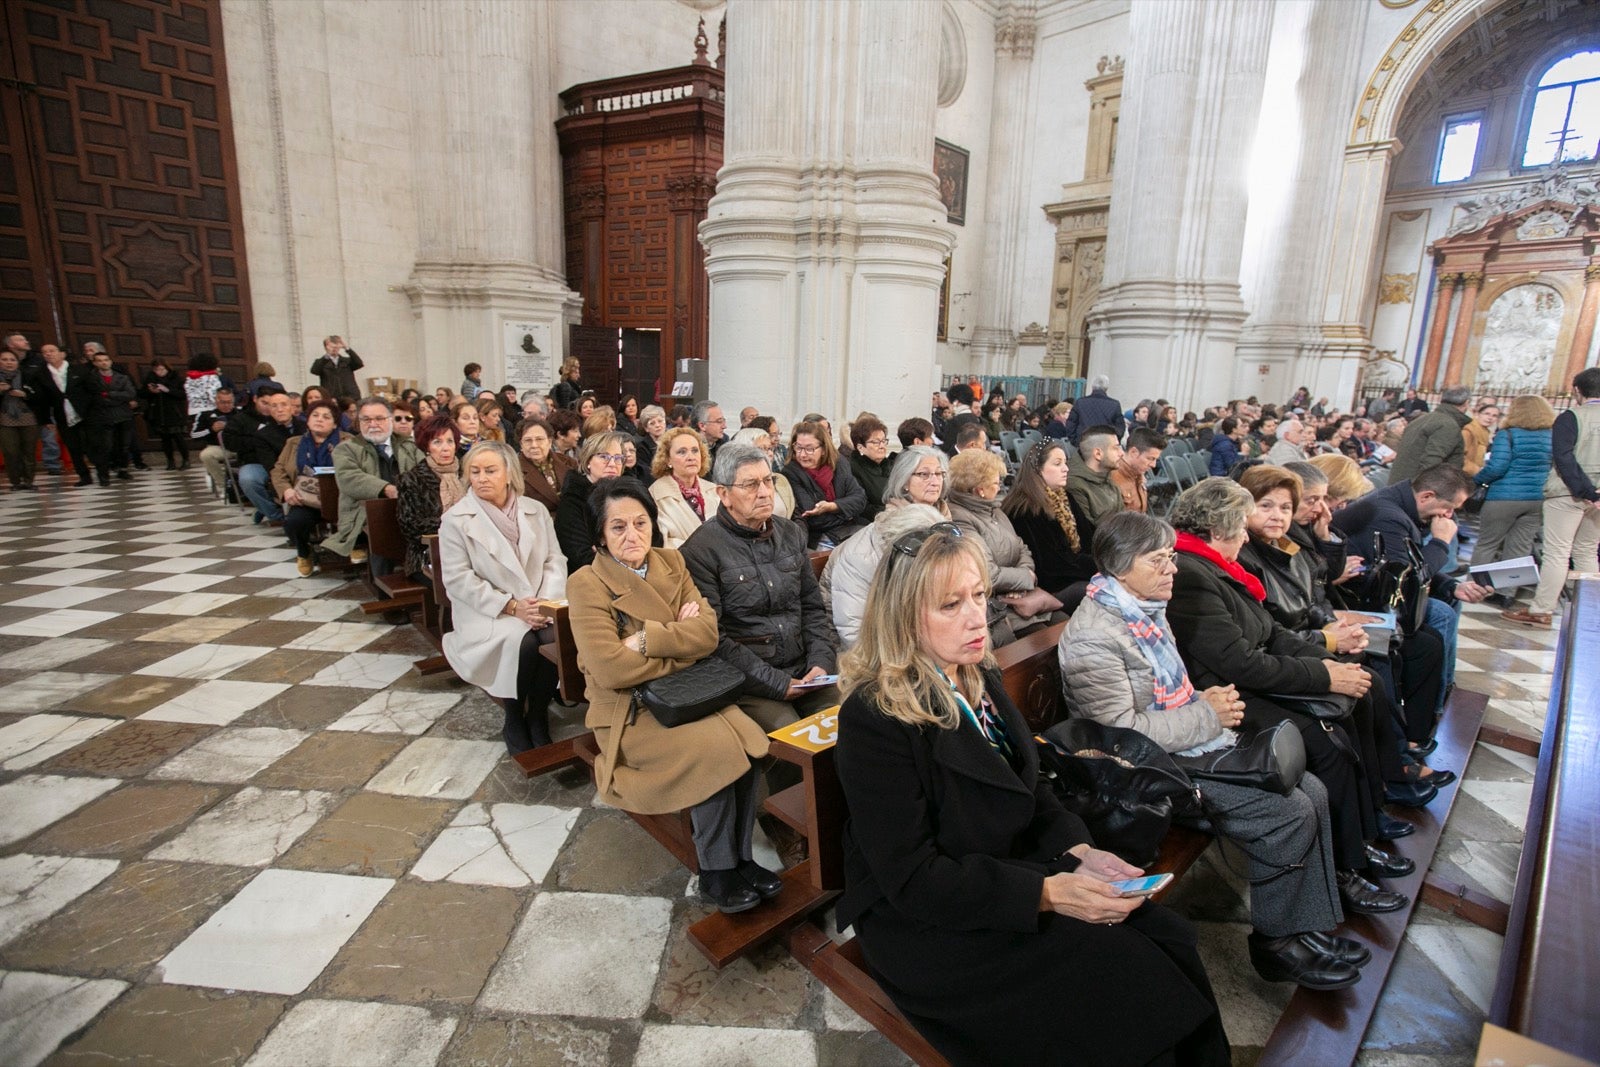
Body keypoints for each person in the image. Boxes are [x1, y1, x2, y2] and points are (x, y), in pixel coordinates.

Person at [834, 524, 1230, 1066]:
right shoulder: (877, 715)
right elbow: (913, 878)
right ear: (903, 616)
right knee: (1125, 983)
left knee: (1170, 937)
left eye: (979, 595)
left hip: (1010, 865)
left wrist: (1079, 851)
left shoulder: (977, 673)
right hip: (933, 919)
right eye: (950, 605)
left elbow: (1034, 782)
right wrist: (1049, 894)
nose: (977, 617)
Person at [1061, 510, 1362, 990]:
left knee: (1311, 789)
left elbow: (1165, 692)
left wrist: (1202, 703)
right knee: (1283, 810)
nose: (1172, 569)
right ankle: (1275, 943)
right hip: (1140, 773)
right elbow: (1119, 732)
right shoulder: (1094, 637)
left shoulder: (1142, 611)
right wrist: (1207, 713)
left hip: (1182, 745)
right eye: (1158, 560)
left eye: (1172, 557)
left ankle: (1306, 927)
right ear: (1121, 568)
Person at [566, 476, 779, 913]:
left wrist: (644, 640)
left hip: (690, 695)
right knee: (716, 750)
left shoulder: (670, 562)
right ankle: (716, 870)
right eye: (619, 527)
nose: (633, 536)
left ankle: (741, 858)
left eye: (641, 523)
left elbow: (707, 632)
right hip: (634, 712)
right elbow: (608, 667)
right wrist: (679, 639)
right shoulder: (587, 583)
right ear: (601, 537)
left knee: (750, 742)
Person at [681, 443, 840, 865]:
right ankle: (787, 827)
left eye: (768, 481)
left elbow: (811, 606)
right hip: (749, 679)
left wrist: (822, 661)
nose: (764, 492)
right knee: (786, 734)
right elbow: (713, 638)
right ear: (723, 494)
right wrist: (776, 683)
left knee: (845, 717)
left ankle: (838, 811)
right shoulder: (701, 551)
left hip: (806, 668)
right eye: (750, 485)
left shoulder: (790, 532)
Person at [439, 440, 566, 754]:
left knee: (553, 636)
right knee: (521, 643)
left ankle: (537, 714)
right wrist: (511, 606)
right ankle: (513, 716)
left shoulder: (535, 511)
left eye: (490, 470)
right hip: (488, 613)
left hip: (538, 605)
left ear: (508, 473)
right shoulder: (456, 520)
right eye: (475, 471)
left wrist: (542, 603)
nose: (481, 478)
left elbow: (555, 560)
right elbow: (458, 579)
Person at [1331, 464, 1490, 703]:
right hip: (1356, 595)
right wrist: (1441, 542)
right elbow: (1405, 580)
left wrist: (1451, 586)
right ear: (1427, 496)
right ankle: (1437, 700)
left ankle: (1445, 687)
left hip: (1374, 588)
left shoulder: (1401, 505)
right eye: (1449, 509)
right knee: (1440, 613)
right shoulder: (1388, 515)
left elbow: (1407, 562)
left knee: (1451, 600)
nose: (1448, 517)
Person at [1506, 367, 1600, 627]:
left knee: (1557, 553)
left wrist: (1587, 491)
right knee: (1586, 551)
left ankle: (1542, 609)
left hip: (1569, 493)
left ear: (1577, 391)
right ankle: (1590, 610)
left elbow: (1564, 456)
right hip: (1598, 498)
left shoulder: (1571, 416)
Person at [947, 449, 1063, 644]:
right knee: (1046, 642)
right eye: (995, 483)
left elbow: (1022, 547)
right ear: (979, 489)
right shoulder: (961, 519)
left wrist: (1027, 572)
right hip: (998, 606)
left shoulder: (995, 510)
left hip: (1023, 596)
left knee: (1065, 623)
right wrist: (1025, 577)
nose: (999, 486)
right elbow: (987, 573)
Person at [822, 503, 948, 648]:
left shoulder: (914, 550)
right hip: (866, 648)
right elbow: (854, 634)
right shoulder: (859, 560)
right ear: (904, 547)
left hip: (908, 635)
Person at [327, 396, 422, 565]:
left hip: (410, 509)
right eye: (366, 419)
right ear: (358, 422)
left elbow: (423, 472)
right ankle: (384, 586)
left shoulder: (410, 445)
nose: (373, 424)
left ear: (390, 420)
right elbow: (349, 478)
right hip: (363, 515)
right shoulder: (346, 449)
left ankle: (426, 577)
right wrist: (387, 488)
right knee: (380, 528)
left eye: (379, 418)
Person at [1004, 439, 1096, 609]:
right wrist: (1098, 567)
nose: (1066, 468)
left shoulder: (1064, 497)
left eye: (1065, 463)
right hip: (1054, 585)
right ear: (1038, 469)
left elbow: (1090, 536)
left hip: (1077, 572)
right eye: (1057, 463)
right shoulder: (1025, 509)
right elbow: (1051, 566)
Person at [1472, 396, 1553, 587]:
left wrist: (1476, 481)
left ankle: (1476, 587)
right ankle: (1506, 593)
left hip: (1503, 497)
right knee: (1520, 548)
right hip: (1536, 497)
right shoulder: (1552, 435)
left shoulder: (1508, 434)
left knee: (1487, 544)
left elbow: (1497, 467)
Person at [272, 399, 342, 575]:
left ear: (334, 424)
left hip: (340, 497)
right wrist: (286, 490)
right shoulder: (294, 443)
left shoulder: (347, 441)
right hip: (306, 498)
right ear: (308, 420)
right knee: (294, 522)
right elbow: (278, 471)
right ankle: (304, 552)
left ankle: (356, 546)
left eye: (326, 417)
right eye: (315, 416)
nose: (320, 419)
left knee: (358, 515)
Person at [395, 415, 465, 584]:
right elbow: (410, 526)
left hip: (469, 550)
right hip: (427, 556)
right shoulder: (412, 479)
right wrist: (456, 523)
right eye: (437, 442)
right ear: (426, 446)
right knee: (460, 584)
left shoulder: (466, 474)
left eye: (450, 441)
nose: (445, 448)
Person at [783, 419, 869, 548]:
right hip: (819, 537)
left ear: (823, 449)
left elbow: (861, 499)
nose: (802, 454)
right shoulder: (791, 472)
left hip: (850, 530)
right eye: (798, 447)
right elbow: (814, 518)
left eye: (809, 449)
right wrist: (847, 513)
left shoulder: (839, 463)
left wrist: (833, 506)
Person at [553, 430, 628, 572]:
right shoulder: (573, 501)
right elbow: (580, 555)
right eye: (604, 457)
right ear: (588, 461)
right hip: (591, 578)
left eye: (618, 458)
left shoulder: (628, 494)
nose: (612, 464)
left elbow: (652, 539)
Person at [231, 389, 298, 522]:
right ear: (270, 411)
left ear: (292, 408)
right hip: (276, 468)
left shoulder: (306, 426)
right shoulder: (263, 434)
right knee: (248, 479)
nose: (280, 409)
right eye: (274, 406)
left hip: (303, 467)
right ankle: (274, 514)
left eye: (284, 405)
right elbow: (270, 464)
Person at [648, 426, 718, 548]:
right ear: (667, 459)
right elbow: (662, 542)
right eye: (682, 452)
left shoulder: (714, 490)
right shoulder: (656, 495)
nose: (691, 457)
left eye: (695, 450)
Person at [1388, 385, 1471, 483]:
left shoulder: (1422, 419)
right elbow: (1431, 462)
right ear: (1466, 403)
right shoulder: (1447, 425)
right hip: (1417, 489)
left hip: (1401, 483)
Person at [79, 348, 138, 486]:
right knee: (105, 446)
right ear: (94, 363)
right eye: (99, 361)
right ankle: (103, 474)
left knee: (124, 444)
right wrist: (113, 397)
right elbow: (95, 396)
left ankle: (123, 469)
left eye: (106, 360)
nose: (103, 363)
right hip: (102, 415)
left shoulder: (122, 377)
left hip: (122, 415)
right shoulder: (91, 378)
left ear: (110, 362)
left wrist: (109, 394)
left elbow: (129, 394)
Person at [1067, 425, 1126, 542]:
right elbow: (1088, 533)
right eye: (1116, 448)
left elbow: (1122, 517)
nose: (1121, 453)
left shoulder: (1106, 475)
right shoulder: (1074, 484)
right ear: (1098, 454)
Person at [516, 416, 574, 515]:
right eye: (528, 440)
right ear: (521, 444)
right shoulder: (514, 469)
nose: (534, 445)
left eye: (539, 439)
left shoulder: (569, 462)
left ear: (550, 442)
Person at [0, 348, 40, 490]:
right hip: (5, 419)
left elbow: (39, 396)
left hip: (27, 417)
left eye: (12, 360)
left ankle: (29, 480)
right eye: (4, 359)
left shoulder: (27, 376)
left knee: (29, 450)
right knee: (11, 451)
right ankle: (15, 481)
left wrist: (25, 394)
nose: (9, 363)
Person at [847, 415, 893, 521]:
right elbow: (862, 507)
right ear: (860, 447)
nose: (882, 446)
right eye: (875, 442)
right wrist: (891, 511)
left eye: (884, 441)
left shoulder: (890, 465)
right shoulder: (852, 469)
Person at [1113, 426, 1166, 514]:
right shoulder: (1112, 479)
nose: (1154, 465)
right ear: (1134, 452)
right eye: (1150, 458)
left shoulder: (1138, 474)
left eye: (1156, 459)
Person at [1062, 374, 1124, 446]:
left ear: (1092, 387)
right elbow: (1120, 427)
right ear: (1106, 388)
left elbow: (1071, 423)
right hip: (1105, 444)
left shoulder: (1080, 402)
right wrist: (1114, 442)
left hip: (1083, 442)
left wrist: (1075, 441)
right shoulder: (1114, 405)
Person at [309, 336, 363, 403]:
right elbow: (314, 371)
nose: (334, 349)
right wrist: (327, 356)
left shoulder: (346, 361)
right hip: (332, 397)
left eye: (336, 347)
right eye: (332, 347)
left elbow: (359, 364)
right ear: (326, 347)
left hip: (351, 396)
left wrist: (347, 348)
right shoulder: (321, 362)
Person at [1462, 401, 1499, 477]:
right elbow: (1460, 455)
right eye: (1486, 414)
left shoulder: (1485, 433)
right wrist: (1476, 470)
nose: (1490, 418)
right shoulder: (1468, 431)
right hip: (1464, 473)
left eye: (1494, 416)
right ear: (1477, 414)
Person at [635, 403, 667, 472]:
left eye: (660, 421)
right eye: (652, 423)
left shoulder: (673, 442)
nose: (657, 425)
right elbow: (646, 472)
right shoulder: (641, 448)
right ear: (646, 428)